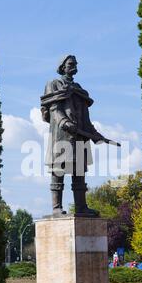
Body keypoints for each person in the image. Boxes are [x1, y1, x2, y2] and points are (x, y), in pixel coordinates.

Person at [41, 55, 105, 216]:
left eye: (75, 64)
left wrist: (94, 133)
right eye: (71, 64)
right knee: (59, 170)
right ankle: (56, 208)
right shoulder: (54, 84)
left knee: (79, 173)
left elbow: (86, 117)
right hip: (61, 135)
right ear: (62, 67)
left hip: (80, 137)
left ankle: (81, 207)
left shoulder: (78, 89)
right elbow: (54, 108)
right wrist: (64, 122)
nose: (74, 66)